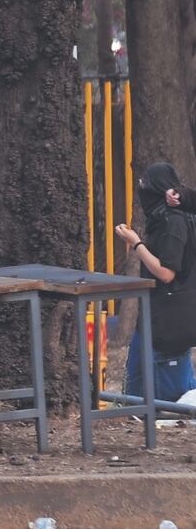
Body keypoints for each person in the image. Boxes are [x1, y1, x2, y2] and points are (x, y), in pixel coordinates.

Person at [115, 162, 196, 402]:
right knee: (134, 392)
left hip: (169, 319)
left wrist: (136, 243)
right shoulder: (162, 219)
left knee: (170, 401)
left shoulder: (174, 223)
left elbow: (166, 273)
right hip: (153, 316)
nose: (141, 189)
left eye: (145, 185)